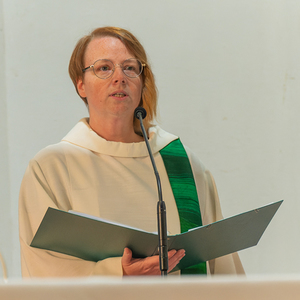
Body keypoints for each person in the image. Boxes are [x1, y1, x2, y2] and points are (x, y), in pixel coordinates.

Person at [19, 26, 244, 277]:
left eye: (130, 68)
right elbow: (43, 267)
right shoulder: (52, 167)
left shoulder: (183, 164)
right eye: (104, 68)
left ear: (141, 83)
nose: (119, 77)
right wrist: (118, 273)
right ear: (80, 85)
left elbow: (220, 264)